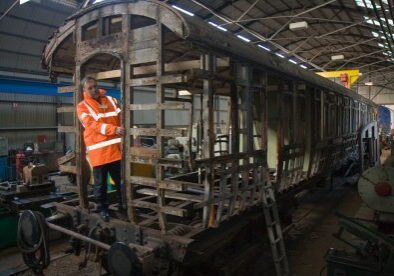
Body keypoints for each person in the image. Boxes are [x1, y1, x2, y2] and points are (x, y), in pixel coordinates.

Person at [76, 76, 124, 221]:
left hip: (116, 151)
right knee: (100, 184)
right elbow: (91, 125)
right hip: (99, 153)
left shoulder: (111, 100)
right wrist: (113, 129)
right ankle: (103, 209)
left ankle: (124, 206)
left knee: (121, 181)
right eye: (90, 88)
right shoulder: (82, 107)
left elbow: (123, 117)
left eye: (95, 86)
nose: (93, 90)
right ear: (84, 90)